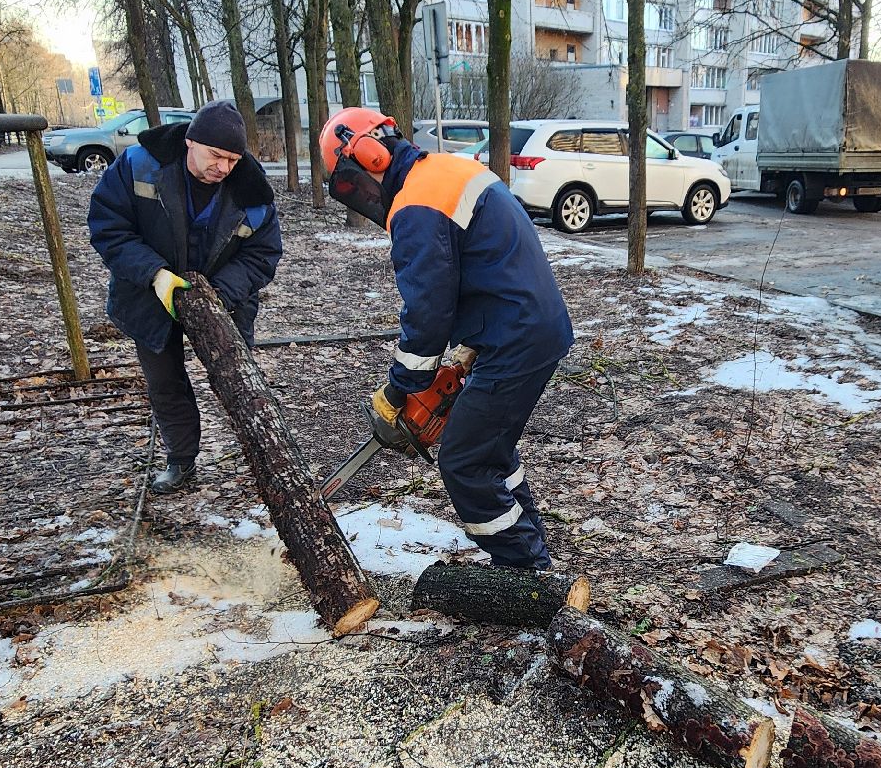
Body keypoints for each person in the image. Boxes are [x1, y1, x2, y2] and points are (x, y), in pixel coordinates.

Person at [318, 106, 573, 570]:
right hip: (526, 327)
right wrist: (471, 345)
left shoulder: (416, 204)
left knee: (463, 461)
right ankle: (532, 554)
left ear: (371, 156)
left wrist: (400, 389)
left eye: (354, 181)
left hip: (516, 338)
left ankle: (526, 574)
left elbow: (428, 311)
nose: (361, 194)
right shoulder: (446, 170)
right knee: (490, 449)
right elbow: (487, 261)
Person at [88, 100, 283, 494]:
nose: (223, 168)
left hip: (223, 299)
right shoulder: (139, 166)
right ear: (190, 142)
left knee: (237, 379)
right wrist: (154, 274)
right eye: (215, 156)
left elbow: (263, 254)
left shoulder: (252, 188)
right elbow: (109, 229)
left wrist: (218, 294)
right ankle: (180, 459)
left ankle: (262, 460)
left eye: (232, 159)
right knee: (165, 381)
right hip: (148, 294)